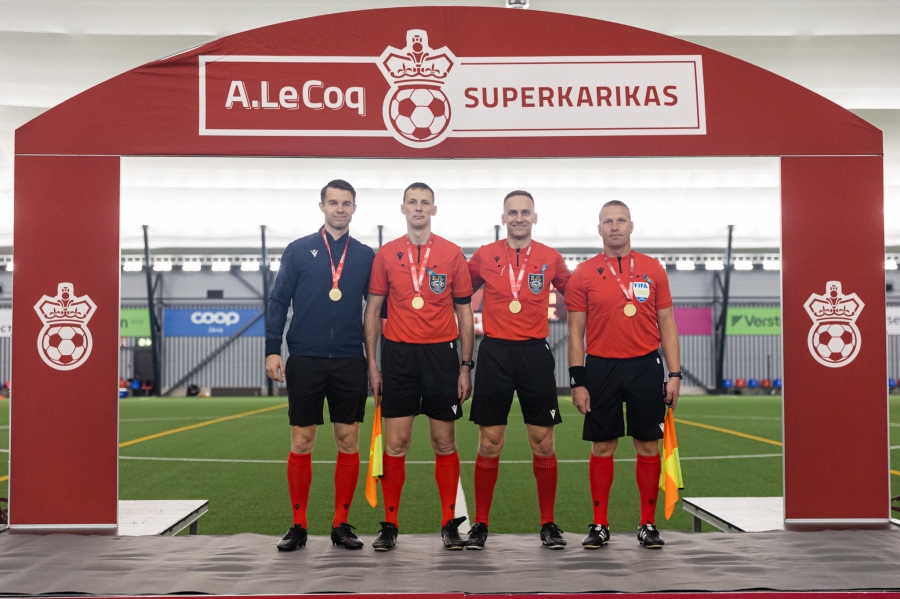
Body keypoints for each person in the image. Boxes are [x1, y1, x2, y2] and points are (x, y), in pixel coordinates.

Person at [265, 179, 376, 552]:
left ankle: (340, 524)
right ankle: (298, 525)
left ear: (354, 208)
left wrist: (380, 361)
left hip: (349, 359)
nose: (340, 209)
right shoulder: (298, 250)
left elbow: (378, 310)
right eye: (333, 202)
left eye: (346, 203)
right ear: (322, 206)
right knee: (302, 440)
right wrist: (273, 348)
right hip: (306, 358)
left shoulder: (365, 255)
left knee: (348, 440)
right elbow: (278, 301)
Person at [364, 182, 475, 551]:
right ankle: (390, 524)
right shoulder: (386, 255)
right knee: (396, 443)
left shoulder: (452, 253)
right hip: (399, 358)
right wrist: (373, 366)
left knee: (444, 441)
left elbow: (464, 313)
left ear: (434, 209)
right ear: (403, 208)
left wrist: (465, 366)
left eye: (425, 202)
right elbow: (373, 312)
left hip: (442, 358)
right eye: (412, 202)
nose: (418, 208)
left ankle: (448, 524)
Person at [565, 200, 681, 549]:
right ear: (599, 229)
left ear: (631, 226)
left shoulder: (653, 269)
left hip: (645, 366)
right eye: (607, 221)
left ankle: (647, 524)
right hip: (601, 367)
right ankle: (600, 524)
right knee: (603, 445)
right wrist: (577, 380)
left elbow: (667, 323)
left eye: (620, 220)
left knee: (648, 444)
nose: (614, 227)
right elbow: (575, 332)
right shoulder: (583, 273)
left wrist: (675, 373)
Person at [464, 190, 571, 550]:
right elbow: (458, 293)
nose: (519, 218)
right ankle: (481, 523)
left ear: (534, 217)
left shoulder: (550, 258)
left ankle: (548, 523)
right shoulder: (484, 255)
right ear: (503, 218)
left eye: (525, 212)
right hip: (494, 353)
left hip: (534, 355)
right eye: (513, 212)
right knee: (489, 442)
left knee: (543, 442)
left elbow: (578, 296)